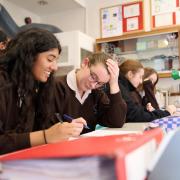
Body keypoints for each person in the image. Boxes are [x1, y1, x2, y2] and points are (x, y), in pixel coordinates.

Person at [0, 28, 87, 155]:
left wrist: (65, 128)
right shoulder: (3, 82)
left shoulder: (32, 87)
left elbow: (33, 130)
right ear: (29, 55)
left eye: (56, 60)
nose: (55, 67)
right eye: (50, 59)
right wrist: (45, 136)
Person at [54, 52, 127, 133]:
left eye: (100, 83)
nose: (93, 85)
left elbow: (117, 122)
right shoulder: (56, 86)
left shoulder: (96, 93)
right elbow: (45, 128)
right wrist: (65, 128)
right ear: (85, 63)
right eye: (93, 76)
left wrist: (114, 84)